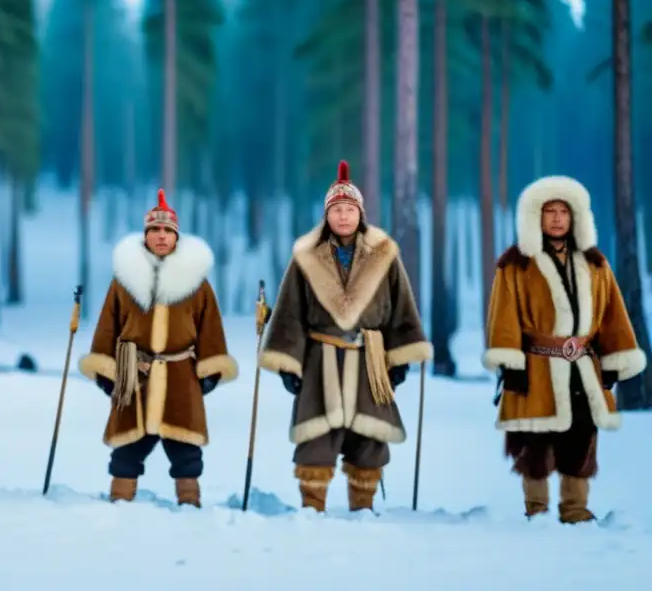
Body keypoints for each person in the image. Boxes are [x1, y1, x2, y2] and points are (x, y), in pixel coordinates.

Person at [258, 161, 433, 512]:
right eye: (336, 209)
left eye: (349, 209)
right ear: (327, 215)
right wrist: (288, 363)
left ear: (360, 213)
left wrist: (400, 359)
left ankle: (363, 506)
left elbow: (402, 311)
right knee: (316, 437)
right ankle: (313, 504)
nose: (343, 216)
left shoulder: (385, 258)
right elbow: (289, 311)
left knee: (369, 437)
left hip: (371, 362)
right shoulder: (305, 260)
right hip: (320, 360)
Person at [485, 175, 647, 523]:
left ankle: (576, 509)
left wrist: (613, 362)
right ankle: (538, 510)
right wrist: (510, 365)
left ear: (575, 217)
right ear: (535, 217)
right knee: (535, 442)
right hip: (535, 368)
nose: (557, 218)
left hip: (583, 368)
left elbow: (612, 315)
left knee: (581, 440)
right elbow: (503, 317)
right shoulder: (516, 264)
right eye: (549, 211)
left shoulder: (595, 264)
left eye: (564, 211)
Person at [78, 189, 238, 508]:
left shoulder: (196, 283)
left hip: (181, 376)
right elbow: (108, 326)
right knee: (127, 448)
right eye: (155, 230)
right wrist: (104, 369)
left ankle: (189, 502)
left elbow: (210, 329)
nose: (161, 236)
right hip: (134, 376)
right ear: (146, 236)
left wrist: (211, 369)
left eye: (167, 231)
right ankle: (120, 500)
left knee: (186, 450)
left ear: (176, 237)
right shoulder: (125, 281)